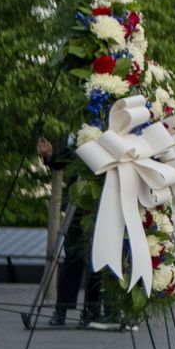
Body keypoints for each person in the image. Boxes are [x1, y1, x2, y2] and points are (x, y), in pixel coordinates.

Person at [34, 135, 112, 329]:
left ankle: (91, 311)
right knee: (72, 257)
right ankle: (61, 310)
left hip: (102, 203)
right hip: (78, 203)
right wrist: (49, 156)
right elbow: (62, 160)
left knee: (99, 258)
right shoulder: (83, 135)